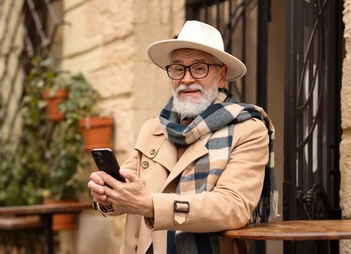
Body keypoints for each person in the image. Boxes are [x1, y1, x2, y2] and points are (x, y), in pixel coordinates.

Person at [88, 20, 278, 254]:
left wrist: (151, 204)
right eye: (178, 68)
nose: (186, 79)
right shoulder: (153, 128)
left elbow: (233, 206)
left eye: (199, 68)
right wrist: (107, 194)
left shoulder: (248, 129)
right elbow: (128, 193)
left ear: (221, 76)